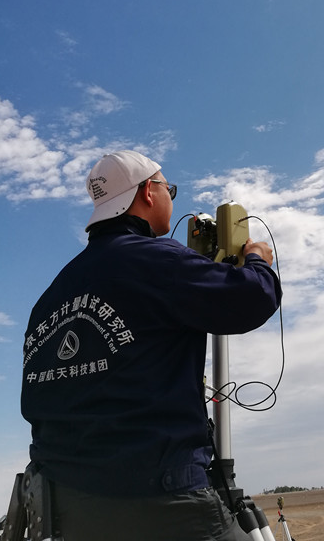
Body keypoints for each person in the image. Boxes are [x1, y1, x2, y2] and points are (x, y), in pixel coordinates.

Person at [20, 150, 282, 541]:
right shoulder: (156, 261)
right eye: (168, 189)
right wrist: (257, 260)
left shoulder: (52, 295)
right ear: (147, 192)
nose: (170, 197)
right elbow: (252, 299)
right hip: (161, 498)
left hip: (65, 507)